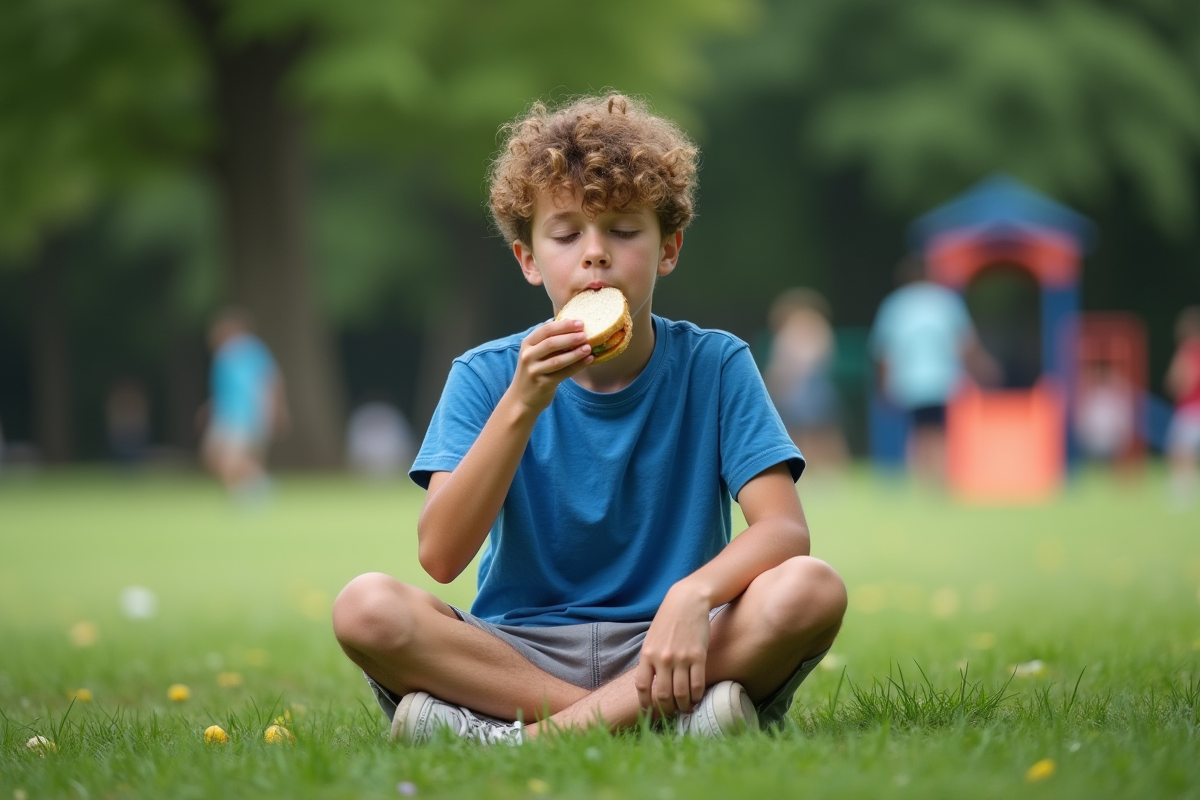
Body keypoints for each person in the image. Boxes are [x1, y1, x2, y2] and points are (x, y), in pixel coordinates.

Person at [332, 94, 847, 745]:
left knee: (811, 589)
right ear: (528, 258)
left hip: (675, 640)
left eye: (625, 231)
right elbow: (440, 554)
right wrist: (522, 404)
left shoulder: (717, 364)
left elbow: (783, 532)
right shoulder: (486, 375)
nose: (595, 254)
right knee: (365, 607)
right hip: (518, 653)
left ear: (669, 249)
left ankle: (518, 736)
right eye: (567, 233)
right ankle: (662, 721)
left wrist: (692, 596)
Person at [869, 255, 999, 485]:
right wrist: (983, 368)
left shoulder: (895, 305)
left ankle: (922, 478)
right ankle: (940, 479)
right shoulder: (945, 301)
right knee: (940, 431)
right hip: (943, 380)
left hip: (908, 381)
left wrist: (882, 385)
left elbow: (885, 351)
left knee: (918, 431)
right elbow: (965, 344)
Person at [199, 308, 287, 501]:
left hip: (245, 415)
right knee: (213, 456)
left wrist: (272, 410)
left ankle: (255, 487)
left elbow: (268, 382)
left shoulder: (251, 351)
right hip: (225, 413)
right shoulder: (223, 357)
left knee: (232, 458)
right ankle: (251, 487)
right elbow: (227, 389)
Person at [764, 288, 848, 475]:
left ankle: (817, 469)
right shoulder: (818, 325)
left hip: (804, 384)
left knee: (809, 430)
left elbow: (785, 363)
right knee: (821, 430)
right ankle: (829, 470)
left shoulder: (795, 328)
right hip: (815, 383)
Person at [1165, 306, 1200, 508]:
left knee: (1179, 452)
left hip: (1189, 411)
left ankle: (1182, 494)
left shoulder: (1186, 353)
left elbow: (1181, 380)